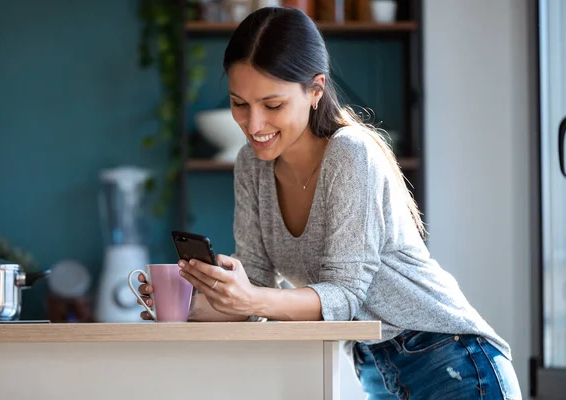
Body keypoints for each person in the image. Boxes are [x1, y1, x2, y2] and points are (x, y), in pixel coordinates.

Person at [137, 6, 522, 399]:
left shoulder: (350, 153)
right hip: (376, 368)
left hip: (450, 362)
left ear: (316, 90)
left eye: (272, 106)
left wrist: (251, 297)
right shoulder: (250, 165)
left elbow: (344, 295)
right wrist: (187, 306)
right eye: (239, 103)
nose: (253, 126)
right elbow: (255, 284)